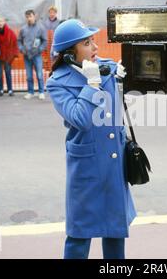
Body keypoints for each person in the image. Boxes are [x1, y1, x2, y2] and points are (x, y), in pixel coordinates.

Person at [46, 19, 135, 259]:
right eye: (87, 43)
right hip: (86, 165)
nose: (95, 47)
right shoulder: (57, 83)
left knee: (116, 231)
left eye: (93, 40)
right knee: (79, 235)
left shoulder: (105, 68)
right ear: (69, 54)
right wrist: (92, 85)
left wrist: (130, 76)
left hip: (114, 160)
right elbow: (81, 118)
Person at [17, 10, 48, 100]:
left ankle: (41, 92)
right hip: (27, 55)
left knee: (39, 74)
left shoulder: (41, 28)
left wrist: (39, 49)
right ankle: (30, 92)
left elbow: (45, 41)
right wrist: (22, 49)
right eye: (27, 17)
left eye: (30, 16)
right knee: (29, 75)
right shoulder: (23, 29)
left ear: (34, 16)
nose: (29, 18)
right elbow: (19, 40)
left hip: (37, 55)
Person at [0, 16, 19, 97]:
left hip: (8, 56)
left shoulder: (10, 32)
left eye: (1, 21)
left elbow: (14, 42)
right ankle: (1, 90)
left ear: (4, 22)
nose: (0, 23)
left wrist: (13, 54)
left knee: (8, 73)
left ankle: (10, 90)